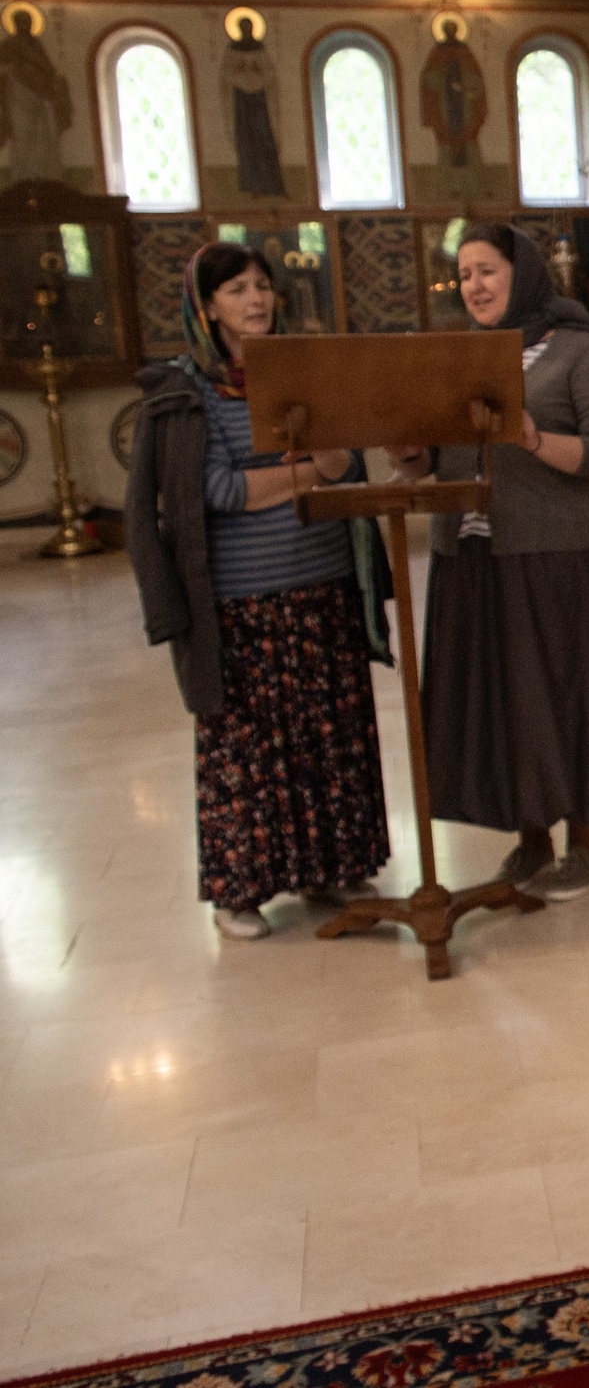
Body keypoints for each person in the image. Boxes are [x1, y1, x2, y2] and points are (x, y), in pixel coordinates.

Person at [125, 243, 392, 939]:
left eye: (264, 286)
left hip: (323, 587)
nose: (256, 299)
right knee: (251, 749)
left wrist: (330, 463)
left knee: (324, 735)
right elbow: (218, 490)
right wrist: (309, 472)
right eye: (238, 288)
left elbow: (346, 459)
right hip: (243, 604)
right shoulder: (192, 392)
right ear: (207, 306)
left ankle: (331, 867)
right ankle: (240, 890)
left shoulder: (306, 371)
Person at [391, 222, 589, 900]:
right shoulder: (456, 355)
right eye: (464, 274)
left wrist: (532, 438)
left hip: (551, 555)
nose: (475, 285)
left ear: (520, 273)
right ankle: (531, 841)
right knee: (504, 701)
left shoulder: (576, 349)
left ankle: (584, 843)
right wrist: (409, 451)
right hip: (471, 555)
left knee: (562, 695)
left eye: (487, 270)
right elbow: (437, 454)